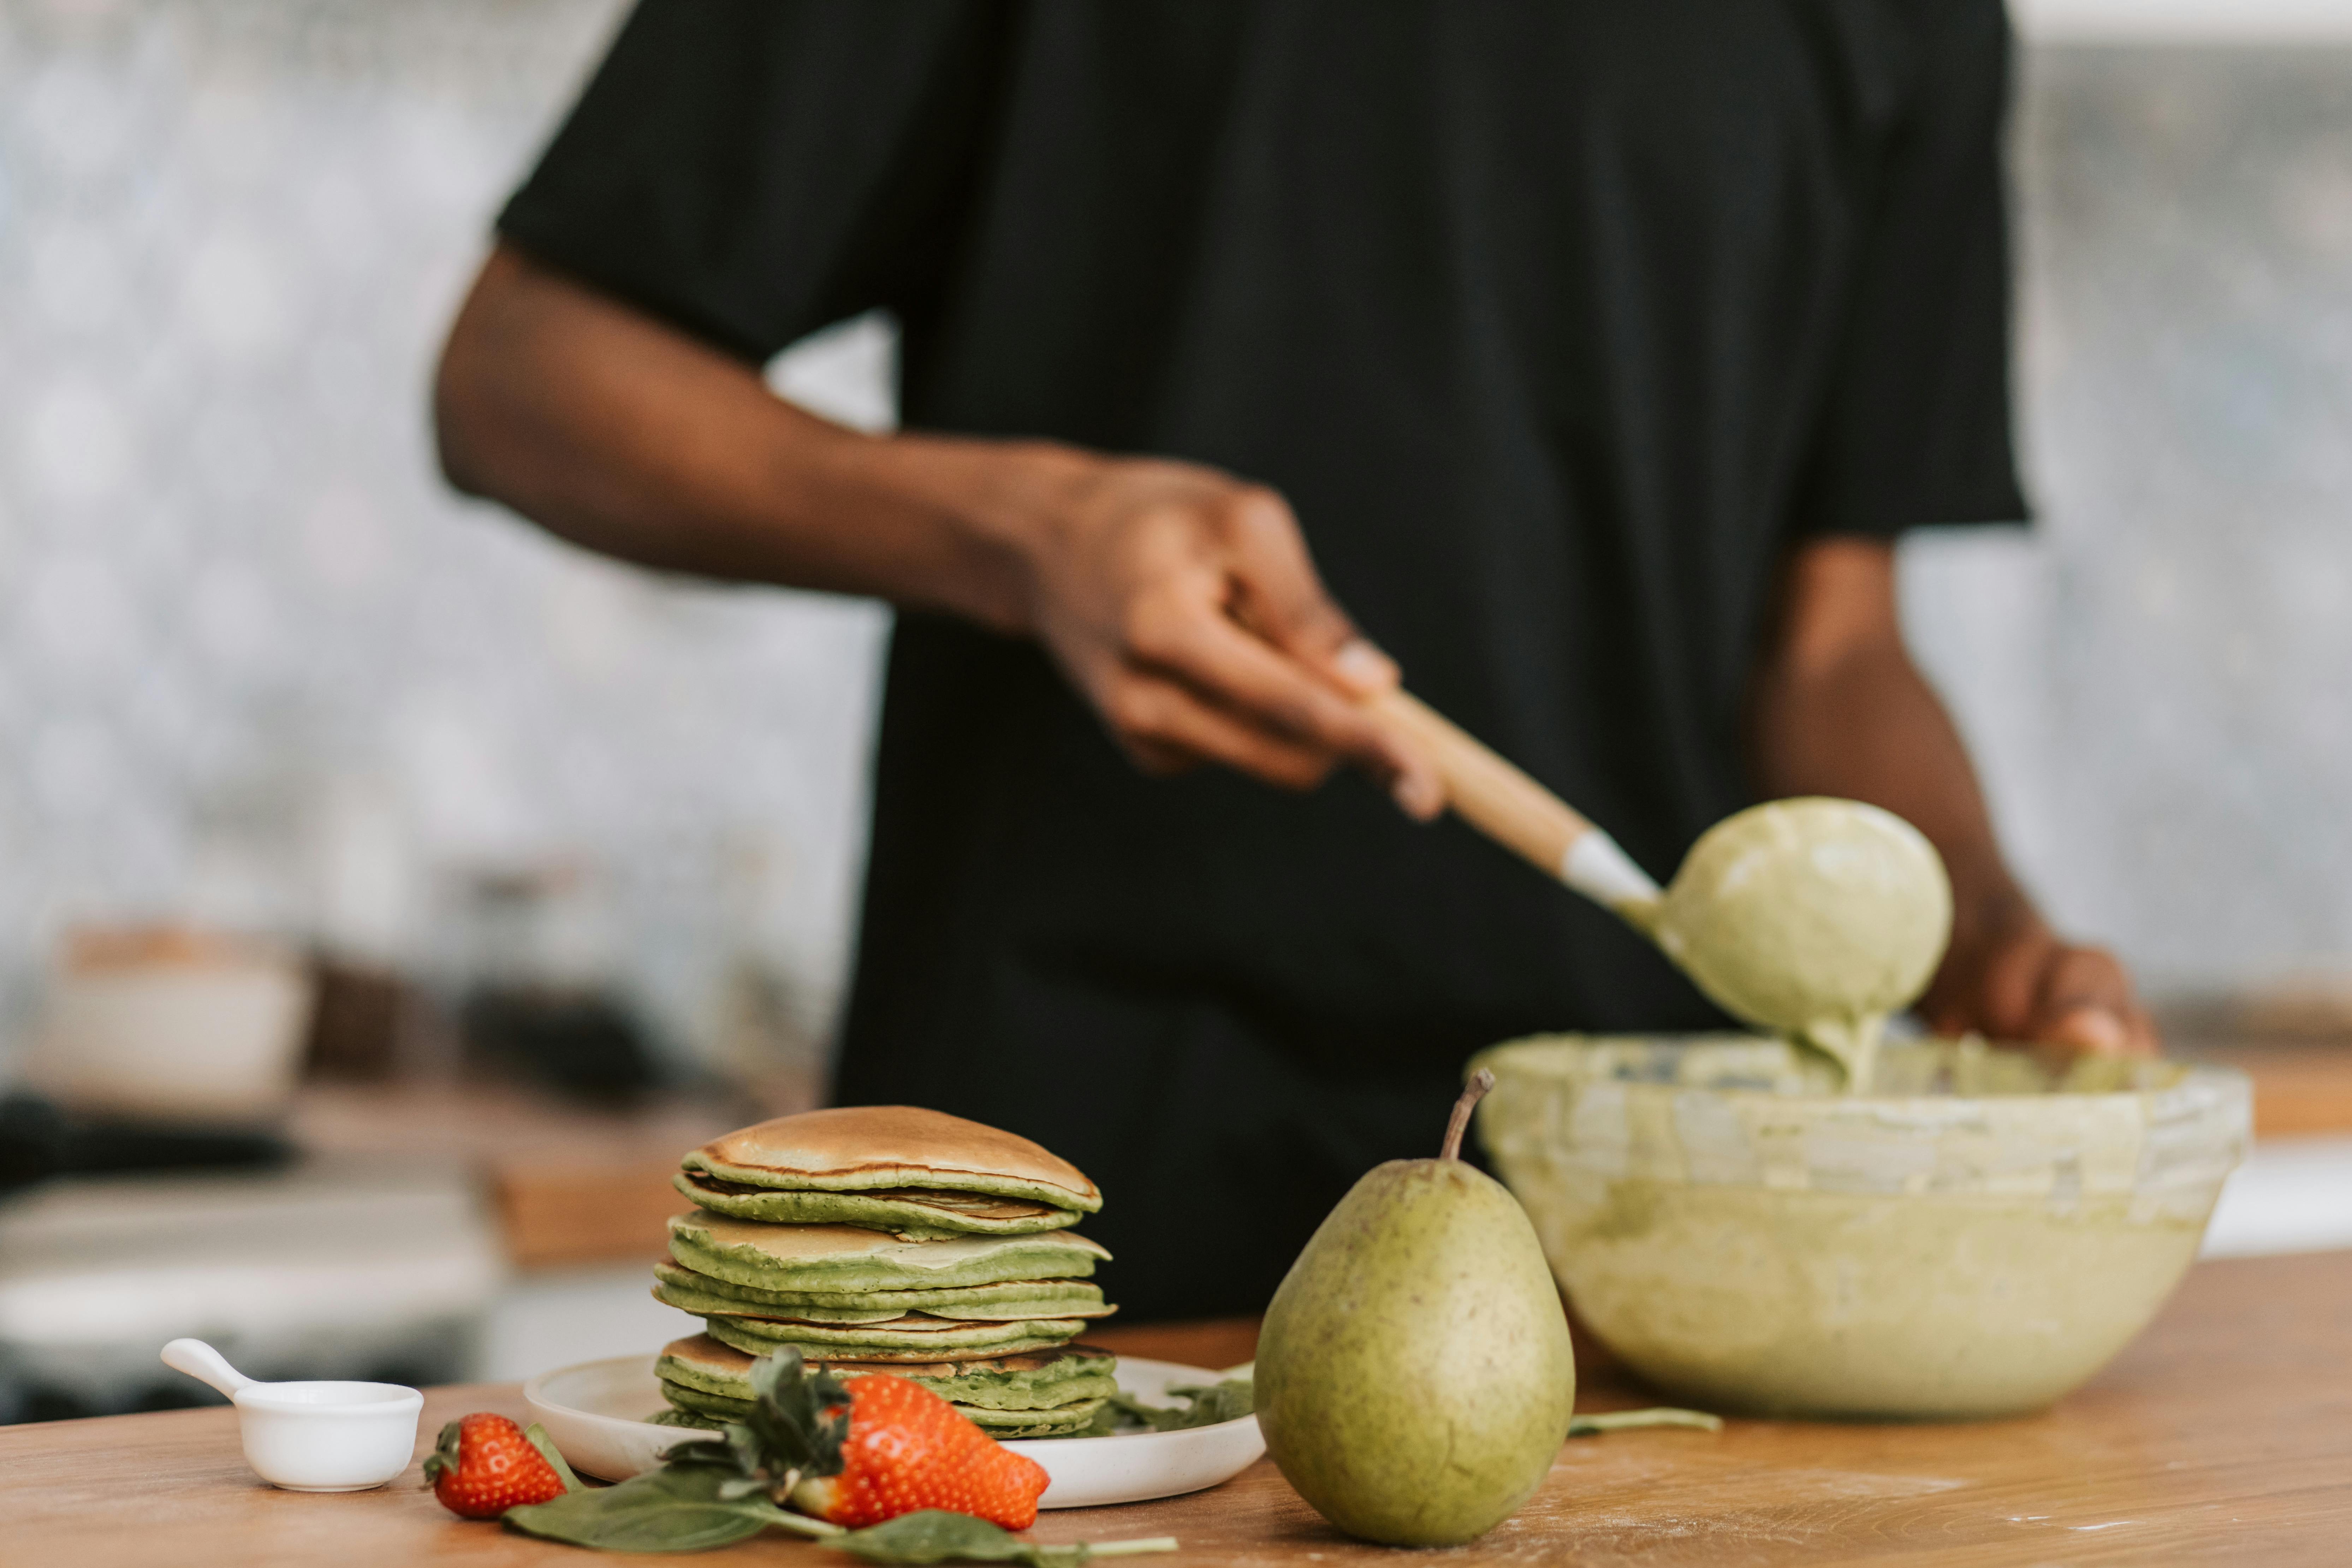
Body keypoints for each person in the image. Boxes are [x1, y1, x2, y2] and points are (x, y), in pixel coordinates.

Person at [437, 1, 2156, 1320]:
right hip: (1052, 1221)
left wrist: (1985, 934)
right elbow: (522, 373)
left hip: (1632, 1246)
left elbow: (1834, 639)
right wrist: (1018, 531)